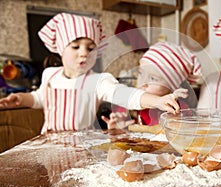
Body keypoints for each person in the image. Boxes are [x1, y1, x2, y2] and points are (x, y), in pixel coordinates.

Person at [0, 13, 180, 134]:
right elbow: (40, 98)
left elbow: (125, 95)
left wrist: (156, 100)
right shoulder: (50, 75)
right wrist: (22, 99)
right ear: (61, 48)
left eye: (91, 48)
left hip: (82, 147)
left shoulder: (98, 81)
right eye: (76, 46)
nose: (84, 53)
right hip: (49, 145)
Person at [102, 41, 202, 129]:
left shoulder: (180, 110)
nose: (143, 83)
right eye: (141, 73)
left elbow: (186, 137)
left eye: (153, 78)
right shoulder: (129, 107)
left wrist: (175, 119)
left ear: (172, 88)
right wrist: (119, 129)